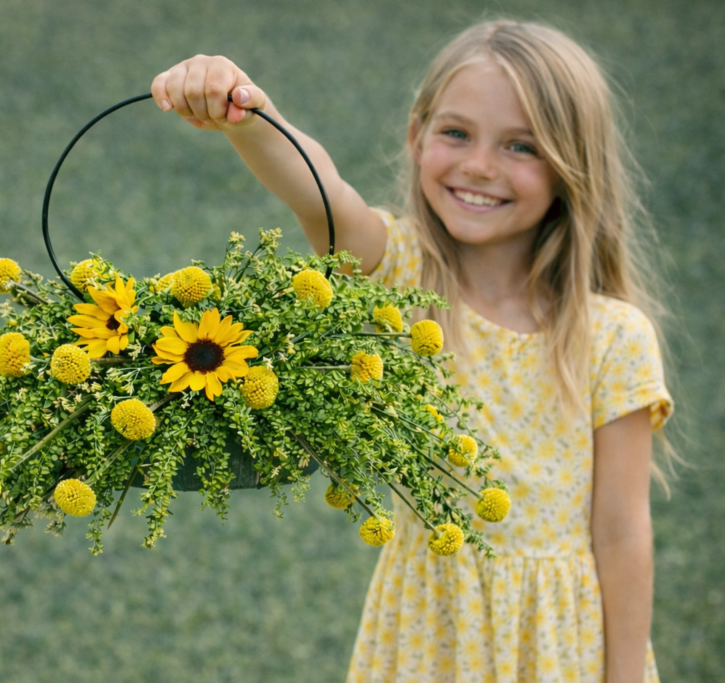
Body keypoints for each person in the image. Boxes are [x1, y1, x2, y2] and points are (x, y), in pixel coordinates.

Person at [151, 19, 674, 683]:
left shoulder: (612, 334)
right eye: (456, 133)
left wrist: (626, 675)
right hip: (428, 632)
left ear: (573, 166)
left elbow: (623, 531)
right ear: (416, 136)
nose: (480, 165)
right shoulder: (394, 275)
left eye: (521, 146)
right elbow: (318, 189)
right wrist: (248, 112)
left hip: (560, 644)